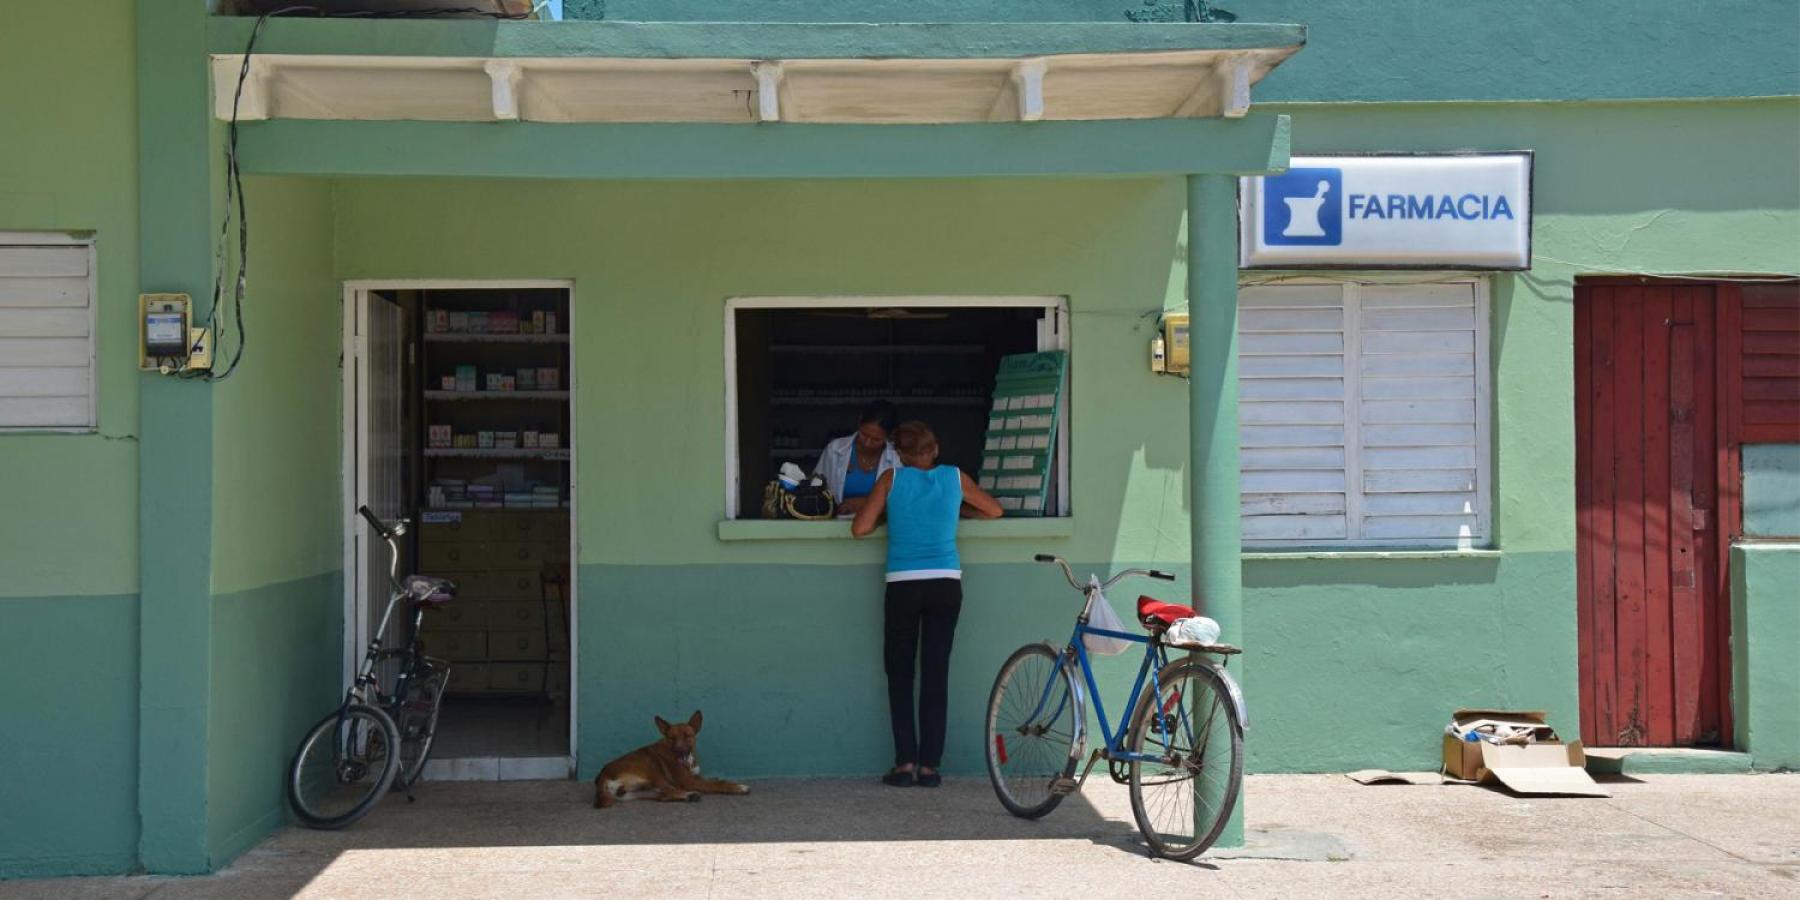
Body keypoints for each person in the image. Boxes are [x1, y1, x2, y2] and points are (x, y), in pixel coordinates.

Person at [851, 420, 1004, 787]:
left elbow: (859, 528)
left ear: (899, 455)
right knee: (936, 674)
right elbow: (994, 511)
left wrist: (890, 512)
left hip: (903, 585)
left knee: (900, 674)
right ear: (934, 449)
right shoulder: (955, 478)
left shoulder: (891, 479)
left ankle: (904, 763)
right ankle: (930, 766)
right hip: (945, 584)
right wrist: (956, 511)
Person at [813, 399, 901, 516]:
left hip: (879, 528)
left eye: (876, 439)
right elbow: (815, 488)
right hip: (834, 526)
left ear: (890, 434)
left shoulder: (897, 458)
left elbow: (903, 501)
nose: (867, 443)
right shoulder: (835, 450)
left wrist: (865, 503)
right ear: (859, 422)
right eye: (864, 434)